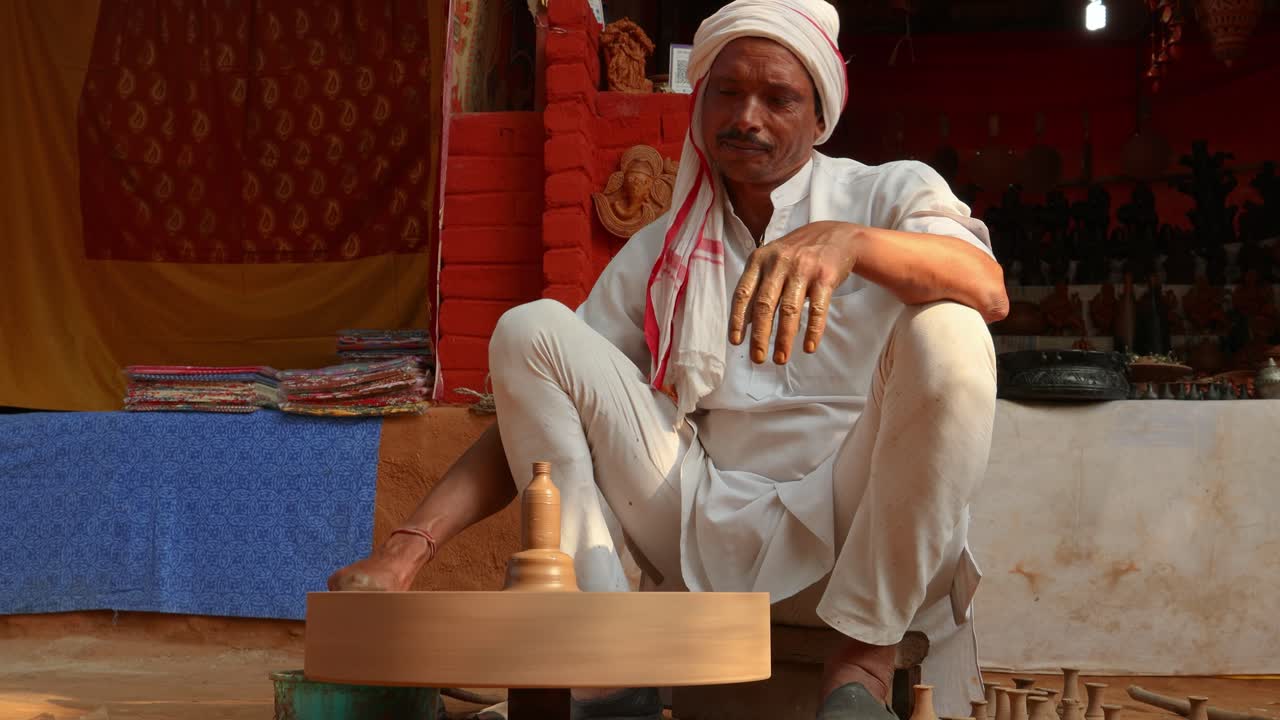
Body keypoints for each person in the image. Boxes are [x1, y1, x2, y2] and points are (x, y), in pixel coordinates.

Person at [329, 1, 1008, 717]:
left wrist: (853, 244)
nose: (748, 118)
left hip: (865, 530)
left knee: (952, 335)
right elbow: (539, 404)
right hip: (706, 524)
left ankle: (863, 664)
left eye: (779, 99)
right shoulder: (663, 249)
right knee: (531, 330)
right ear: (701, 102)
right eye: (728, 92)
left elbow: (988, 287)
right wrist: (409, 547)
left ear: (819, 119)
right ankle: (609, 651)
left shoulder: (887, 193)